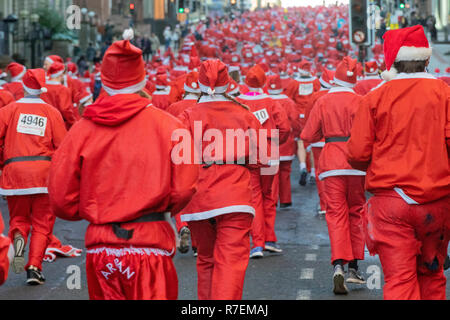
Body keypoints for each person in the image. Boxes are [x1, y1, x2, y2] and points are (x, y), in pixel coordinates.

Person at [48, 29, 198, 300]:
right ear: (142, 78)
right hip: (150, 242)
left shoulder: (81, 131)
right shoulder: (171, 127)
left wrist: (96, 208)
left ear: (103, 79)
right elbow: (184, 188)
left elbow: (61, 198)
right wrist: (157, 207)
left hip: (100, 246)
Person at [347, 25, 450, 300]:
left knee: (400, 281)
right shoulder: (445, 94)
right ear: (427, 59)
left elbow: (357, 154)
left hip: (391, 203)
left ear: (391, 60)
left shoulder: (374, 99)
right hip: (437, 203)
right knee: (433, 274)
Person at [178, 59, 262, 300]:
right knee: (231, 261)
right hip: (235, 195)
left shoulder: (187, 115)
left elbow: (178, 158)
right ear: (229, 84)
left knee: (205, 259)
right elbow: (263, 159)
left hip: (199, 198)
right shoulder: (245, 114)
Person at [301, 56, 367, 295]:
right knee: (356, 213)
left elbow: (308, 135)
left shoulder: (323, 101)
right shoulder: (361, 101)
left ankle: (338, 264)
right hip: (356, 164)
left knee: (335, 214)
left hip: (331, 163)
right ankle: (354, 268)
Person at [0, 68, 67, 285]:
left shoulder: (8, 110)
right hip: (43, 175)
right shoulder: (52, 113)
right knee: (42, 222)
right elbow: (63, 148)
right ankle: (34, 266)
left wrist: (3, 162)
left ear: (22, 87)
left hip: (14, 174)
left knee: (18, 219)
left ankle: (18, 240)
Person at [236, 65, 291, 259]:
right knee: (269, 197)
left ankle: (257, 243)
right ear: (264, 81)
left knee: (255, 198)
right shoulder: (272, 102)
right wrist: (275, 142)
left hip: (248, 154)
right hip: (269, 153)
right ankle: (269, 239)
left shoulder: (239, 102)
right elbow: (284, 128)